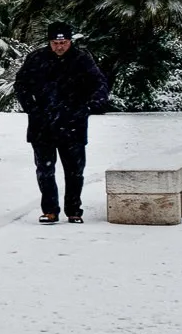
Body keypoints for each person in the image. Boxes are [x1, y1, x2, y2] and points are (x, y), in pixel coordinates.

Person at [12, 22, 111, 224]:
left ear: (70, 41)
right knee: (45, 171)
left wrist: (90, 106)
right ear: (49, 42)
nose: (59, 46)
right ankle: (50, 210)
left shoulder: (82, 59)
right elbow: (21, 84)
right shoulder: (37, 58)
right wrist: (31, 107)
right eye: (55, 42)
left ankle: (74, 210)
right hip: (42, 125)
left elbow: (99, 83)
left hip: (73, 124)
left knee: (74, 171)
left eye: (63, 42)